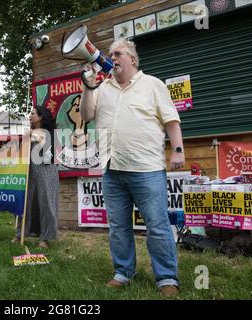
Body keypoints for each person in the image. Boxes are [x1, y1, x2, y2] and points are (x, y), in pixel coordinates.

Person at [80, 39, 185, 297]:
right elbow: (86, 115)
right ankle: (123, 272)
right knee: (118, 226)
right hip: (112, 169)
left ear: (132, 59)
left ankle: (166, 277)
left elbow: (171, 120)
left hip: (146, 168)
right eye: (111, 54)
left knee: (157, 225)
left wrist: (178, 150)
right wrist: (87, 86)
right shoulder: (102, 87)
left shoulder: (152, 85)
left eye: (118, 54)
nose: (112, 57)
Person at [12, 106, 60, 248]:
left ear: (40, 116)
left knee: (46, 205)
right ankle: (19, 234)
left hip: (46, 173)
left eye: (32, 113)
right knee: (25, 203)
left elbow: (48, 155)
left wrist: (36, 137)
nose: (30, 116)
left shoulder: (51, 133)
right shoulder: (27, 133)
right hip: (29, 172)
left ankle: (45, 238)